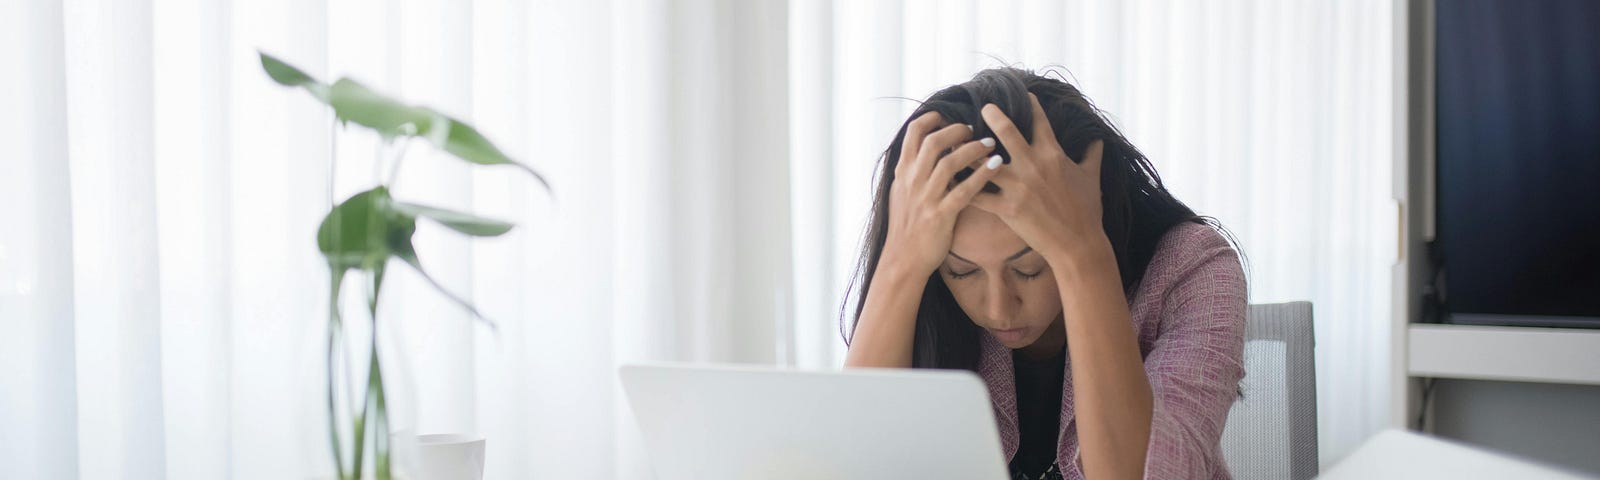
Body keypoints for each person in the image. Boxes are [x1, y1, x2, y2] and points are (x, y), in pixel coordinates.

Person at [842, 67, 1246, 480]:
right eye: (963, 272)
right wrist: (900, 264)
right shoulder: (924, 283)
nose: (999, 308)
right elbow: (851, 464)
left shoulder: (1193, 268)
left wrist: (1084, 257)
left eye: (1030, 268)